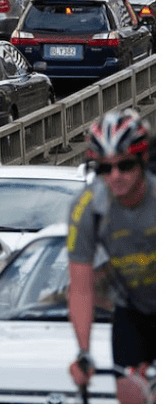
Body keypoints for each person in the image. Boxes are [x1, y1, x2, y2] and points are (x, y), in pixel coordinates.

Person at [67, 108, 155, 404]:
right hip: (132, 309)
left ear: (142, 160)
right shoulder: (88, 207)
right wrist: (83, 352)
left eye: (125, 165)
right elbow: (81, 287)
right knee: (131, 395)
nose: (115, 176)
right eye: (105, 169)